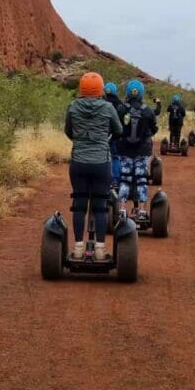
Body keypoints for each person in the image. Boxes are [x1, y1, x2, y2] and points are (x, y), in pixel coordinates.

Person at [65, 72, 123, 261]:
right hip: (101, 162)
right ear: (100, 89)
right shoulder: (108, 108)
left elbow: (68, 131)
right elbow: (119, 130)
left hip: (79, 162)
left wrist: (81, 141)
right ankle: (99, 249)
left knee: (79, 204)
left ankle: (79, 247)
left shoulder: (73, 106)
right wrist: (103, 141)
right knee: (100, 206)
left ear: (81, 89)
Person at [116, 79, 160, 216]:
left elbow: (116, 128)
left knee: (124, 179)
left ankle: (122, 210)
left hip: (125, 150)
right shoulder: (147, 111)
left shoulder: (121, 109)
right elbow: (154, 129)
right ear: (141, 93)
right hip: (143, 150)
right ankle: (141, 211)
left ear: (128, 92)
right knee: (141, 180)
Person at [103, 82, 125, 185]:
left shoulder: (101, 102)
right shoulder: (120, 104)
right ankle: (115, 180)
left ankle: (103, 180)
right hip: (116, 135)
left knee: (102, 157)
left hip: (103, 135)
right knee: (115, 157)